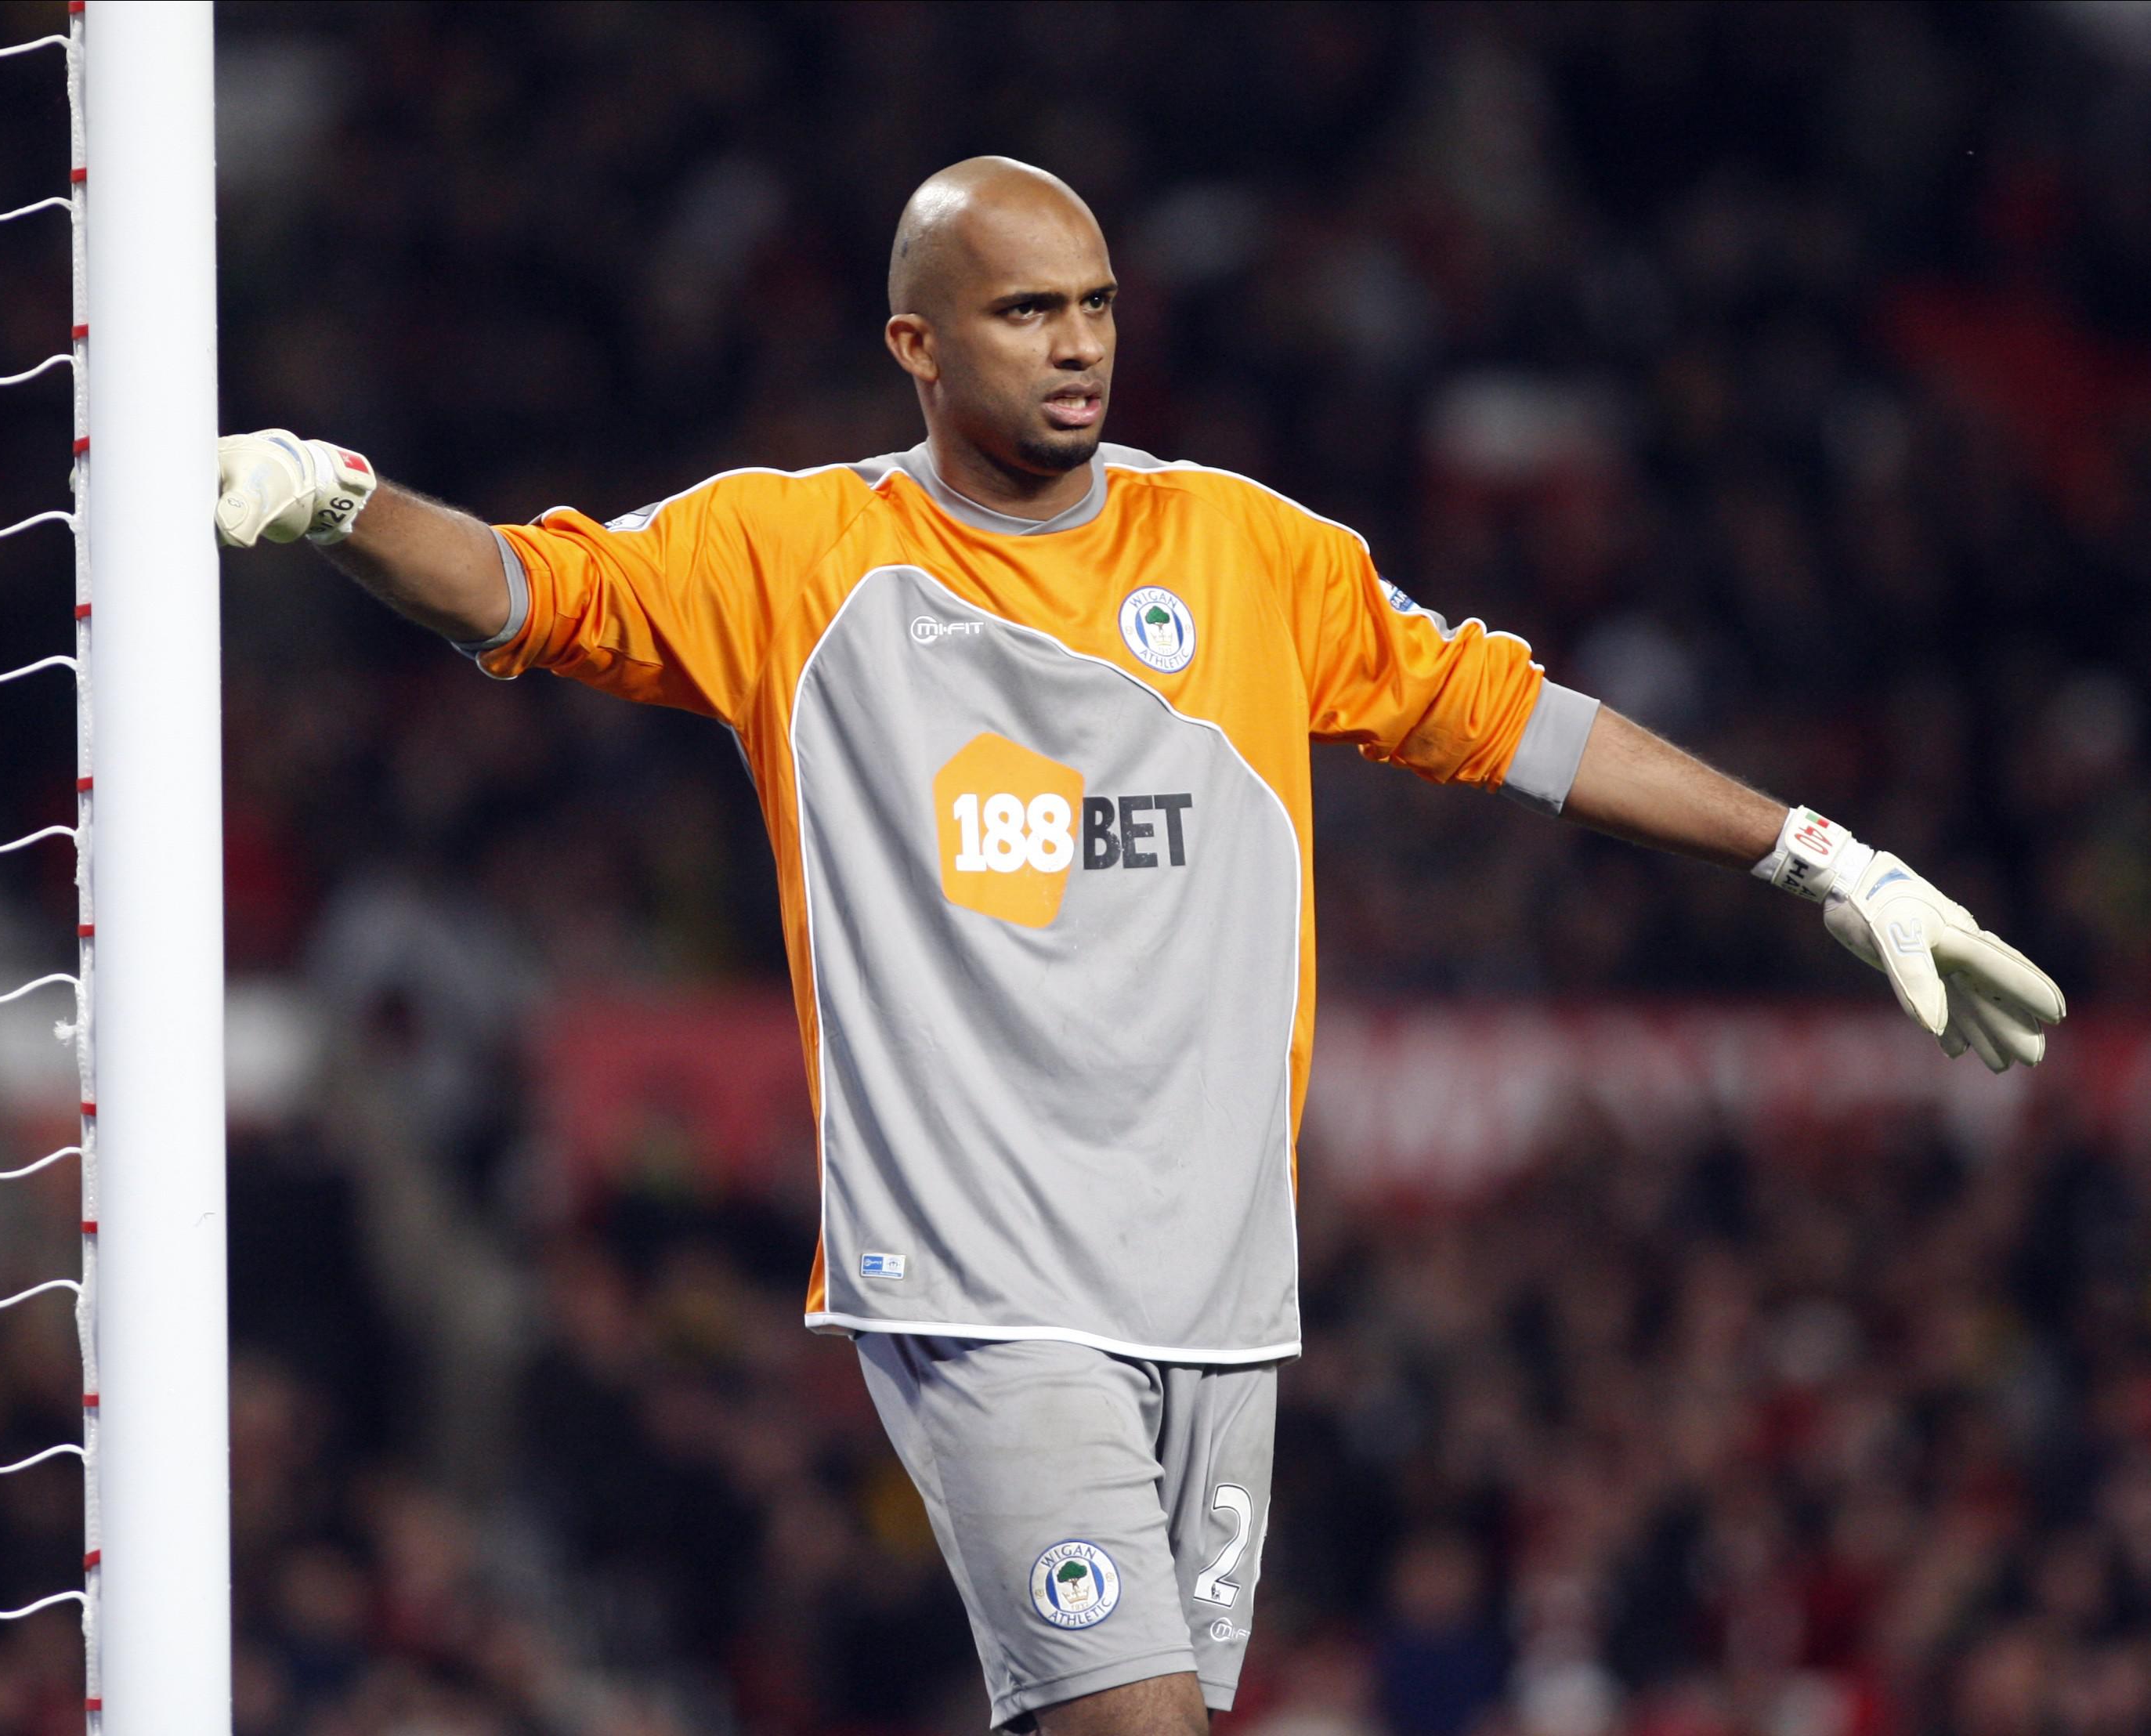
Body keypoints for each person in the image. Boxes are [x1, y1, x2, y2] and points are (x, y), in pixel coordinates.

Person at [211, 157, 2065, 1734]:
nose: (1080, 340)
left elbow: (1525, 726)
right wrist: (345, 498)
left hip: (1218, 1300)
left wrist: (1825, 859)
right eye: (1024, 311)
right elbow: (530, 592)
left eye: (1095, 302)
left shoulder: (1251, 559)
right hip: (978, 1286)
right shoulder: (796, 562)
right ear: (915, 346)